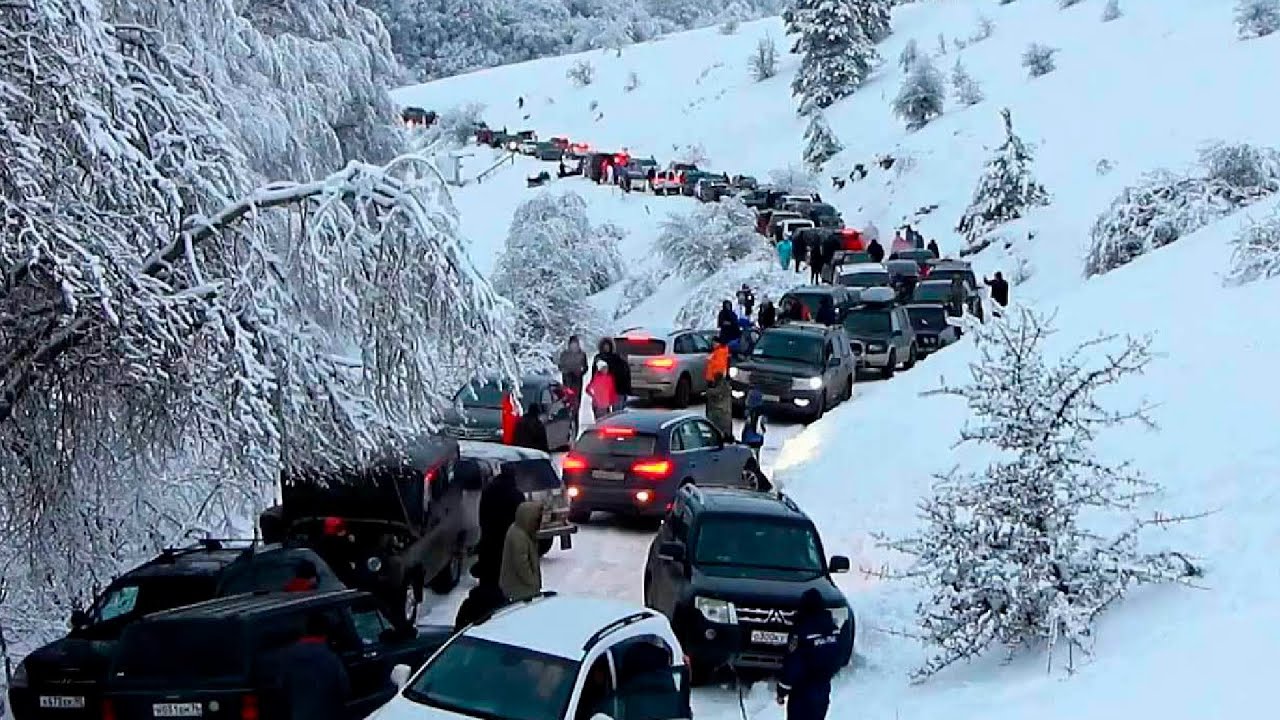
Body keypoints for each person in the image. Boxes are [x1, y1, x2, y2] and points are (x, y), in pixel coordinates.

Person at [258, 614, 351, 720]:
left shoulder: (287, 655)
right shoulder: (330, 657)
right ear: (326, 633)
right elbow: (345, 688)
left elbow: (281, 686)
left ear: (306, 630)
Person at [776, 589, 842, 720]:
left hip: (802, 693)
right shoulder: (833, 630)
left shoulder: (801, 631)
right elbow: (838, 656)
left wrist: (782, 690)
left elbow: (793, 664)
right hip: (823, 690)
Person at [474, 467, 525, 585]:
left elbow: (482, 512)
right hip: (507, 537)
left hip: (489, 536)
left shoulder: (488, 490)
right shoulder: (516, 494)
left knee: (489, 571)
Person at [499, 500, 544, 601]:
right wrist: (533, 582)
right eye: (535, 520)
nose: (537, 523)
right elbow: (521, 564)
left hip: (519, 586)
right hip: (520, 589)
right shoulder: (519, 536)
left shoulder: (520, 530)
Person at [704, 341, 732, 438]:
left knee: (716, 409)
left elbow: (719, 367)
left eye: (714, 342)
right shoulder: (718, 351)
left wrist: (716, 377)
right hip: (714, 379)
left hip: (715, 380)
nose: (712, 344)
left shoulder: (721, 352)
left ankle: (720, 433)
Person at [558, 335, 587, 413]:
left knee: (576, 402)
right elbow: (560, 366)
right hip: (567, 380)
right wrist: (565, 371)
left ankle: (576, 418)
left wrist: (580, 372)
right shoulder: (564, 354)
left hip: (577, 380)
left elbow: (585, 367)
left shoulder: (582, 354)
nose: (574, 346)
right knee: (568, 401)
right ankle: (568, 419)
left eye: (575, 344)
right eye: (572, 344)